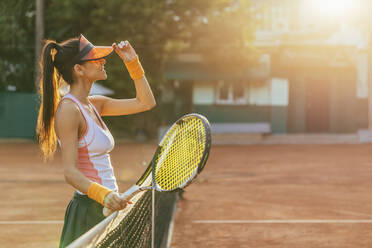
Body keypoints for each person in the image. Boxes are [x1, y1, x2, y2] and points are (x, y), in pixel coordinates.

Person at [36, 34, 156, 247]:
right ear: (78, 69)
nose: (102, 61)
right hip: (89, 210)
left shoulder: (94, 104)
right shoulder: (68, 110)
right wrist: (105, 196)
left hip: (106, 206)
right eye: (94, 58)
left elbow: (145, 102)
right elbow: (70, 173)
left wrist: (132, 62)